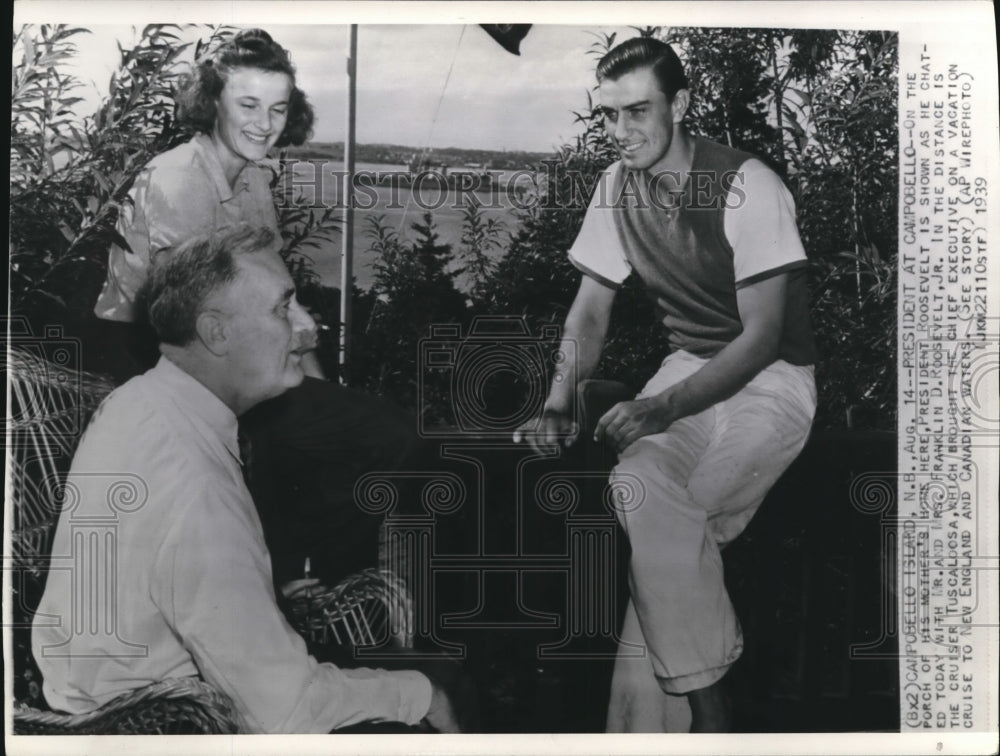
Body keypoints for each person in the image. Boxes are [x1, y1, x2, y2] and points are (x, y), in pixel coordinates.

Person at [32, 225, 464, 733]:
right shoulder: (194, 479)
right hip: (162, 725)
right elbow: (284, 711)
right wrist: (423, 696)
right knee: (439, 682)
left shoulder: (140, 403)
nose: (308, 327)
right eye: (283, 308)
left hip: (109, 698)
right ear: (216, 332)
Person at [514, 37, 818, 732]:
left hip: (772, 381)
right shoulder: (614, 189)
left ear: (680, 104)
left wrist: (660, 407)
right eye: (610, 116)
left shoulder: (747, 183)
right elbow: (590, 309)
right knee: (640, 491)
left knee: (679, 518)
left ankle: (670, 723)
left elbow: (763, 335)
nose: (622, 132)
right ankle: (711, 714)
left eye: (638, 111)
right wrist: (560, 399)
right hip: (687, 371)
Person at [91, 28, 422, 592]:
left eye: (277, 108)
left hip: (226, 348)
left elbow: (280, 299)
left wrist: (315, 379)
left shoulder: (252, 184)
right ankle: (290, 584)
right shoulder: (178, 177)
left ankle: (320, 588)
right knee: (350, 435)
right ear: (212, 102)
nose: (264, 123)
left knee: (368, 430)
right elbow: (193, 317)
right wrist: (293, 382)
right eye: (248, 105)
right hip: (148, 352)